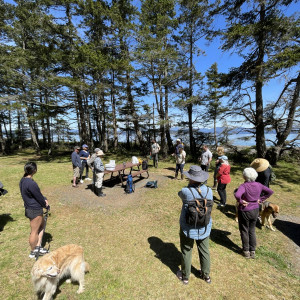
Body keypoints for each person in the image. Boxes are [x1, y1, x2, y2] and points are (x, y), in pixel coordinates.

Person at [177, 165, 213, 285]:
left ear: (191, 178)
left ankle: (185, 276)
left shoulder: (186, 191)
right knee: (204, 250)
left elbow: (179, 194)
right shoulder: (209, 191)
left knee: (186, 250)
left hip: (188, 227)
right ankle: (206, 275)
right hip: (204, 227)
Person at [234, 167, 273, 259]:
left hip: (245, 210)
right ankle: (252, 251)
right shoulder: (259, 185)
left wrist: (241, 200)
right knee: (252, 230)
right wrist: (261, 199)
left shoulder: (243, 186)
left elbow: (237, 195)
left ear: (244, 176)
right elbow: (270, 191)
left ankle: (246, 251)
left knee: (244, 230)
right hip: (255, 209)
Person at [19, 162, 49, 258]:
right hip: (34, 209)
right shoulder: (31, 183)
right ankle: (33, 251)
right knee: (34, 231)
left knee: (42, 225)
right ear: (34, 170)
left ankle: (38, 246)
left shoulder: (23, 180)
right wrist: (46, 205)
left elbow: (36, 194)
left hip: (29, 208)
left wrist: (43, 198)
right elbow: (38, 197)